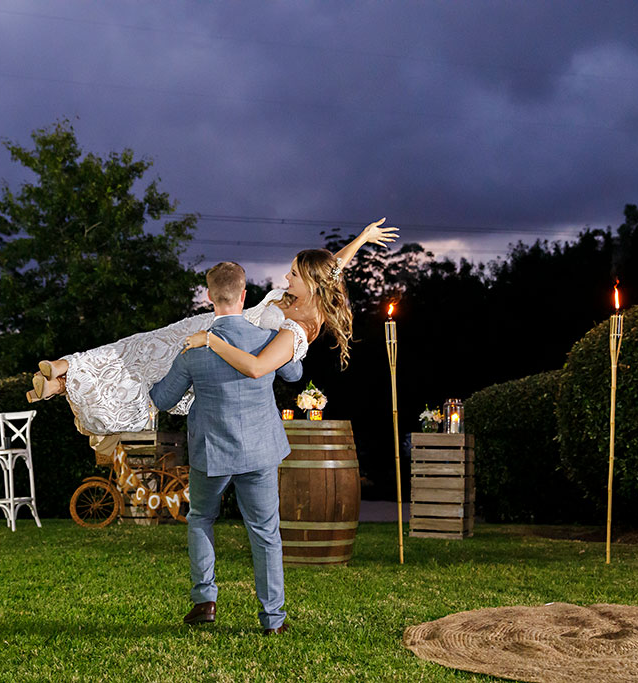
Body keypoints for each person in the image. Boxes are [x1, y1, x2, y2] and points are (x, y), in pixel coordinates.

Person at [26, 219, 398, 457]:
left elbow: (257, 367)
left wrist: (211, 341)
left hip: (214, 341)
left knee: (143, 366)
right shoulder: (304, 292)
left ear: (311, 284)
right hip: (206, 326)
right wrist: (363, 238)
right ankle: (64, 372)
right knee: (139, 356)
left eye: (293, 275)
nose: (286, 279)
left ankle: (64, 375)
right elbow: (333, 264)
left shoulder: (300, 330)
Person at [148, 261, 301, 634]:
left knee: (201, 518)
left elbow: (164, 398)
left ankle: (205, 601)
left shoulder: (194, 349)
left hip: (211, 453)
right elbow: (294, 374)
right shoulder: (266, 338)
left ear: (209, 297)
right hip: (260, 451)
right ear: (245, 296)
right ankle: (273, 620)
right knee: (265, 532)